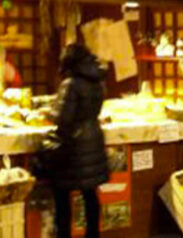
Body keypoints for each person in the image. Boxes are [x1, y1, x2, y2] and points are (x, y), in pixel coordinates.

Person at [50, 44, 108, 238]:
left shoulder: (70, 83)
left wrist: (49, 111)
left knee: (62, 194)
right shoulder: (97, 80)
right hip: (93, 139)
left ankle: (64, 235)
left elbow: (62, 119)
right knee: (90, 193)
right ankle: (93, 234)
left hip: (73, 146)